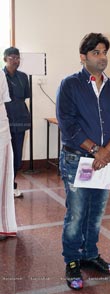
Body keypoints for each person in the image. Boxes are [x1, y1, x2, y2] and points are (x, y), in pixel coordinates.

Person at [56, 32, 110, 290]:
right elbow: (69, 125)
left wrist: (107, 150)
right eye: (96, 52)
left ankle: (89, 254)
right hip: (78, 160)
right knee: (76, 213)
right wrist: (97, 150)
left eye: (104, 52)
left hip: (103, 162)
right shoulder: (70, 85)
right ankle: (73, 260)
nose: (102, 57)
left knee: (95, 213)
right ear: (83, 57)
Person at [3, 47, 31, 198]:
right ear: (5, 59)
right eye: (12, 57)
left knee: (17, 158)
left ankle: (11, 186)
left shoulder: (23, 77)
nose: (15, 60)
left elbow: (25, 96)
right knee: (3, 156)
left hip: (20, 121)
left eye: (18, 57)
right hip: (3, 123)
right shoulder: (1, 76)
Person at [0, 70, 17, 240]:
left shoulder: (0, 73)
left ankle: (2, 225)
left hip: (1, 131)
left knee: (1, 181)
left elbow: (4, 102)